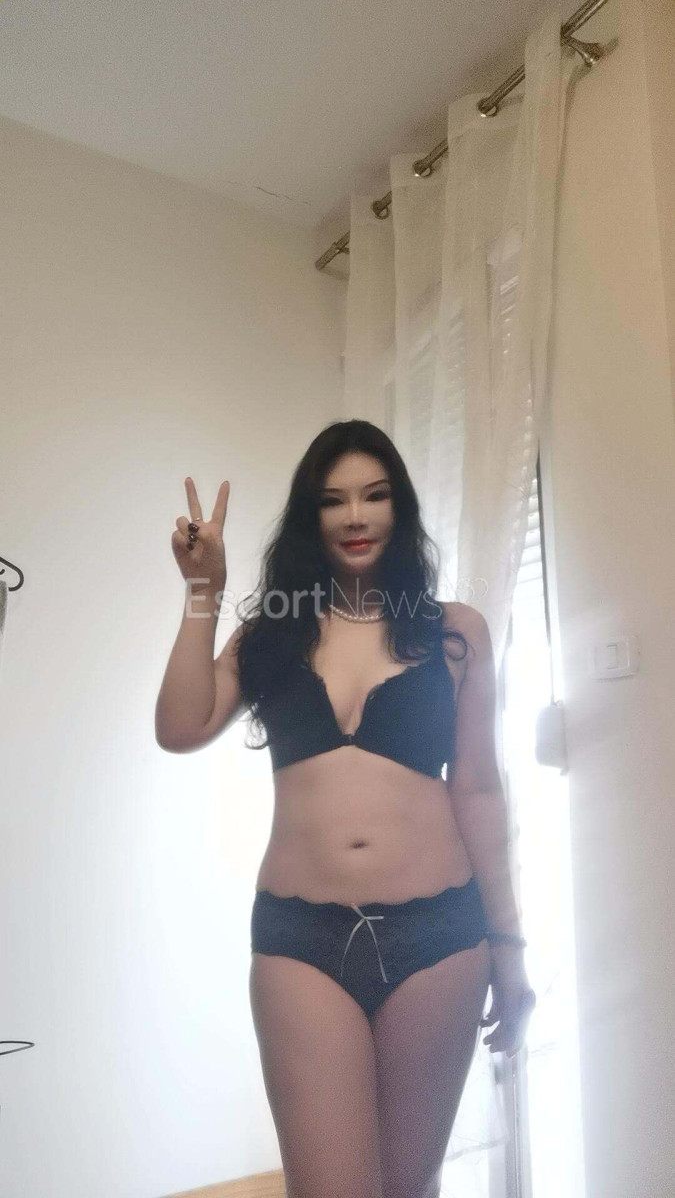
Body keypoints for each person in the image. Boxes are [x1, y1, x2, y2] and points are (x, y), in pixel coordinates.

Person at [156, 419, 536, 1198]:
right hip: (301, 941)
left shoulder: (454, 633)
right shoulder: (270, 635)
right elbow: (179, 726)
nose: (355, 516)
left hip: (439, 936)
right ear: (311, 516)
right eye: (333, 501)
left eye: (374, 495)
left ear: (401, 507)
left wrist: (509, 946)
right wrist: (202, 593)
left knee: (408, 1186)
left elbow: (477, 788)